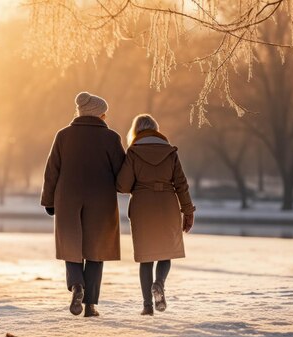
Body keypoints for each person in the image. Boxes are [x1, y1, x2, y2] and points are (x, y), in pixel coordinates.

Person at [41, 92, 125, 317]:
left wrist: (49, 201)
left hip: (68, 200)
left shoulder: (63, 136)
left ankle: (77, 285)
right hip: (102, 202)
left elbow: (52, 171)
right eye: (104, 113)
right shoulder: (111, 138)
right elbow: (122, 174)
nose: (106, 117)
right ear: (98, 114)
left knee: (71, 247)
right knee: (95, 252)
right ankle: (90, 305)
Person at [116, 114, 195, 316]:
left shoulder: (133, 152)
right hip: (167, 205)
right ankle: (159, 283)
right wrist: (187, 211)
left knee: (146, 258)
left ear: (136, 130)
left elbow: (123, 185)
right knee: (165, 252)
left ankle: (147, 306)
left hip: (143, 207)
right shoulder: (170, 152)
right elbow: (181, 184)